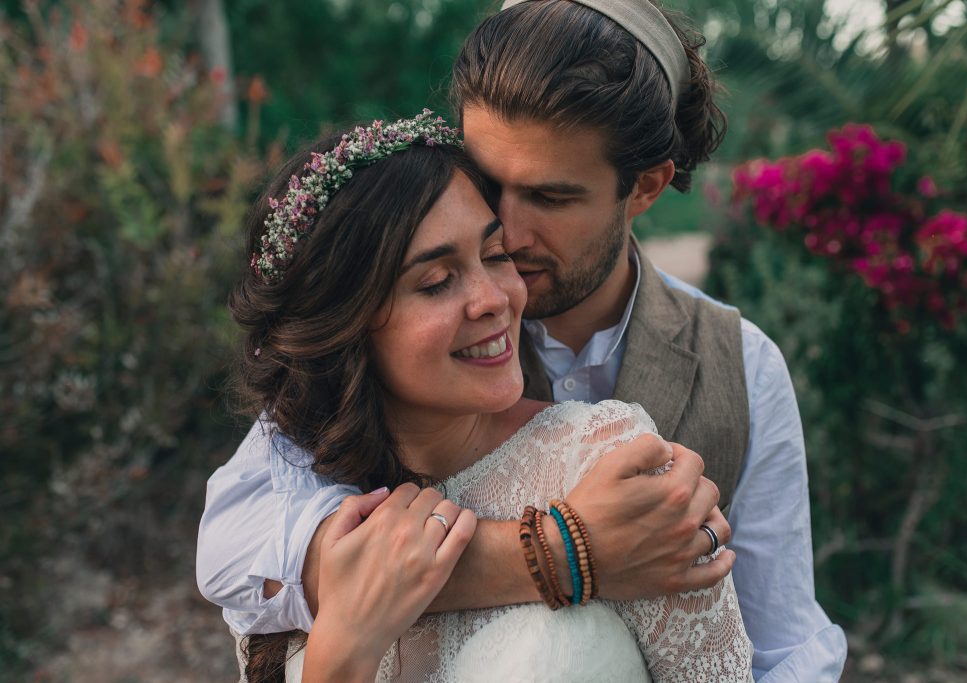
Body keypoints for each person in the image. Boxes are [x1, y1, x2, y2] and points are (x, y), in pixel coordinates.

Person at [198, 1, 847, 679]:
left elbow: (786, 646)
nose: (504, 226)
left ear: (646, 187)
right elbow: (233, 542)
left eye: (550, 197)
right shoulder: (395, 352)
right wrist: (567, 551)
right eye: (489, 181)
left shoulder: (740, 364)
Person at [223, 111, 754, 681]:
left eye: (496, 255)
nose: (493, 299)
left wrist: (564, 549)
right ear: (342, 324)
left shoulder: (607, 463)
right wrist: (343, 647)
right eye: (435, 282)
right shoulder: (291, 500)